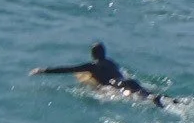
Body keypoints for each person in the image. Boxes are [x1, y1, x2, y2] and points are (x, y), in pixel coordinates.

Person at [31, 42, 163, 106]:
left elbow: (68, 69)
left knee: (139, 99)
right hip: (129, 81)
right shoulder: (111, 62)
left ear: (93, 55)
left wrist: (44, 70)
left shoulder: (92, 66)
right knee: (148, 95)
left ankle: (155, 100)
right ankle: (164, 99)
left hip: (116, 87)